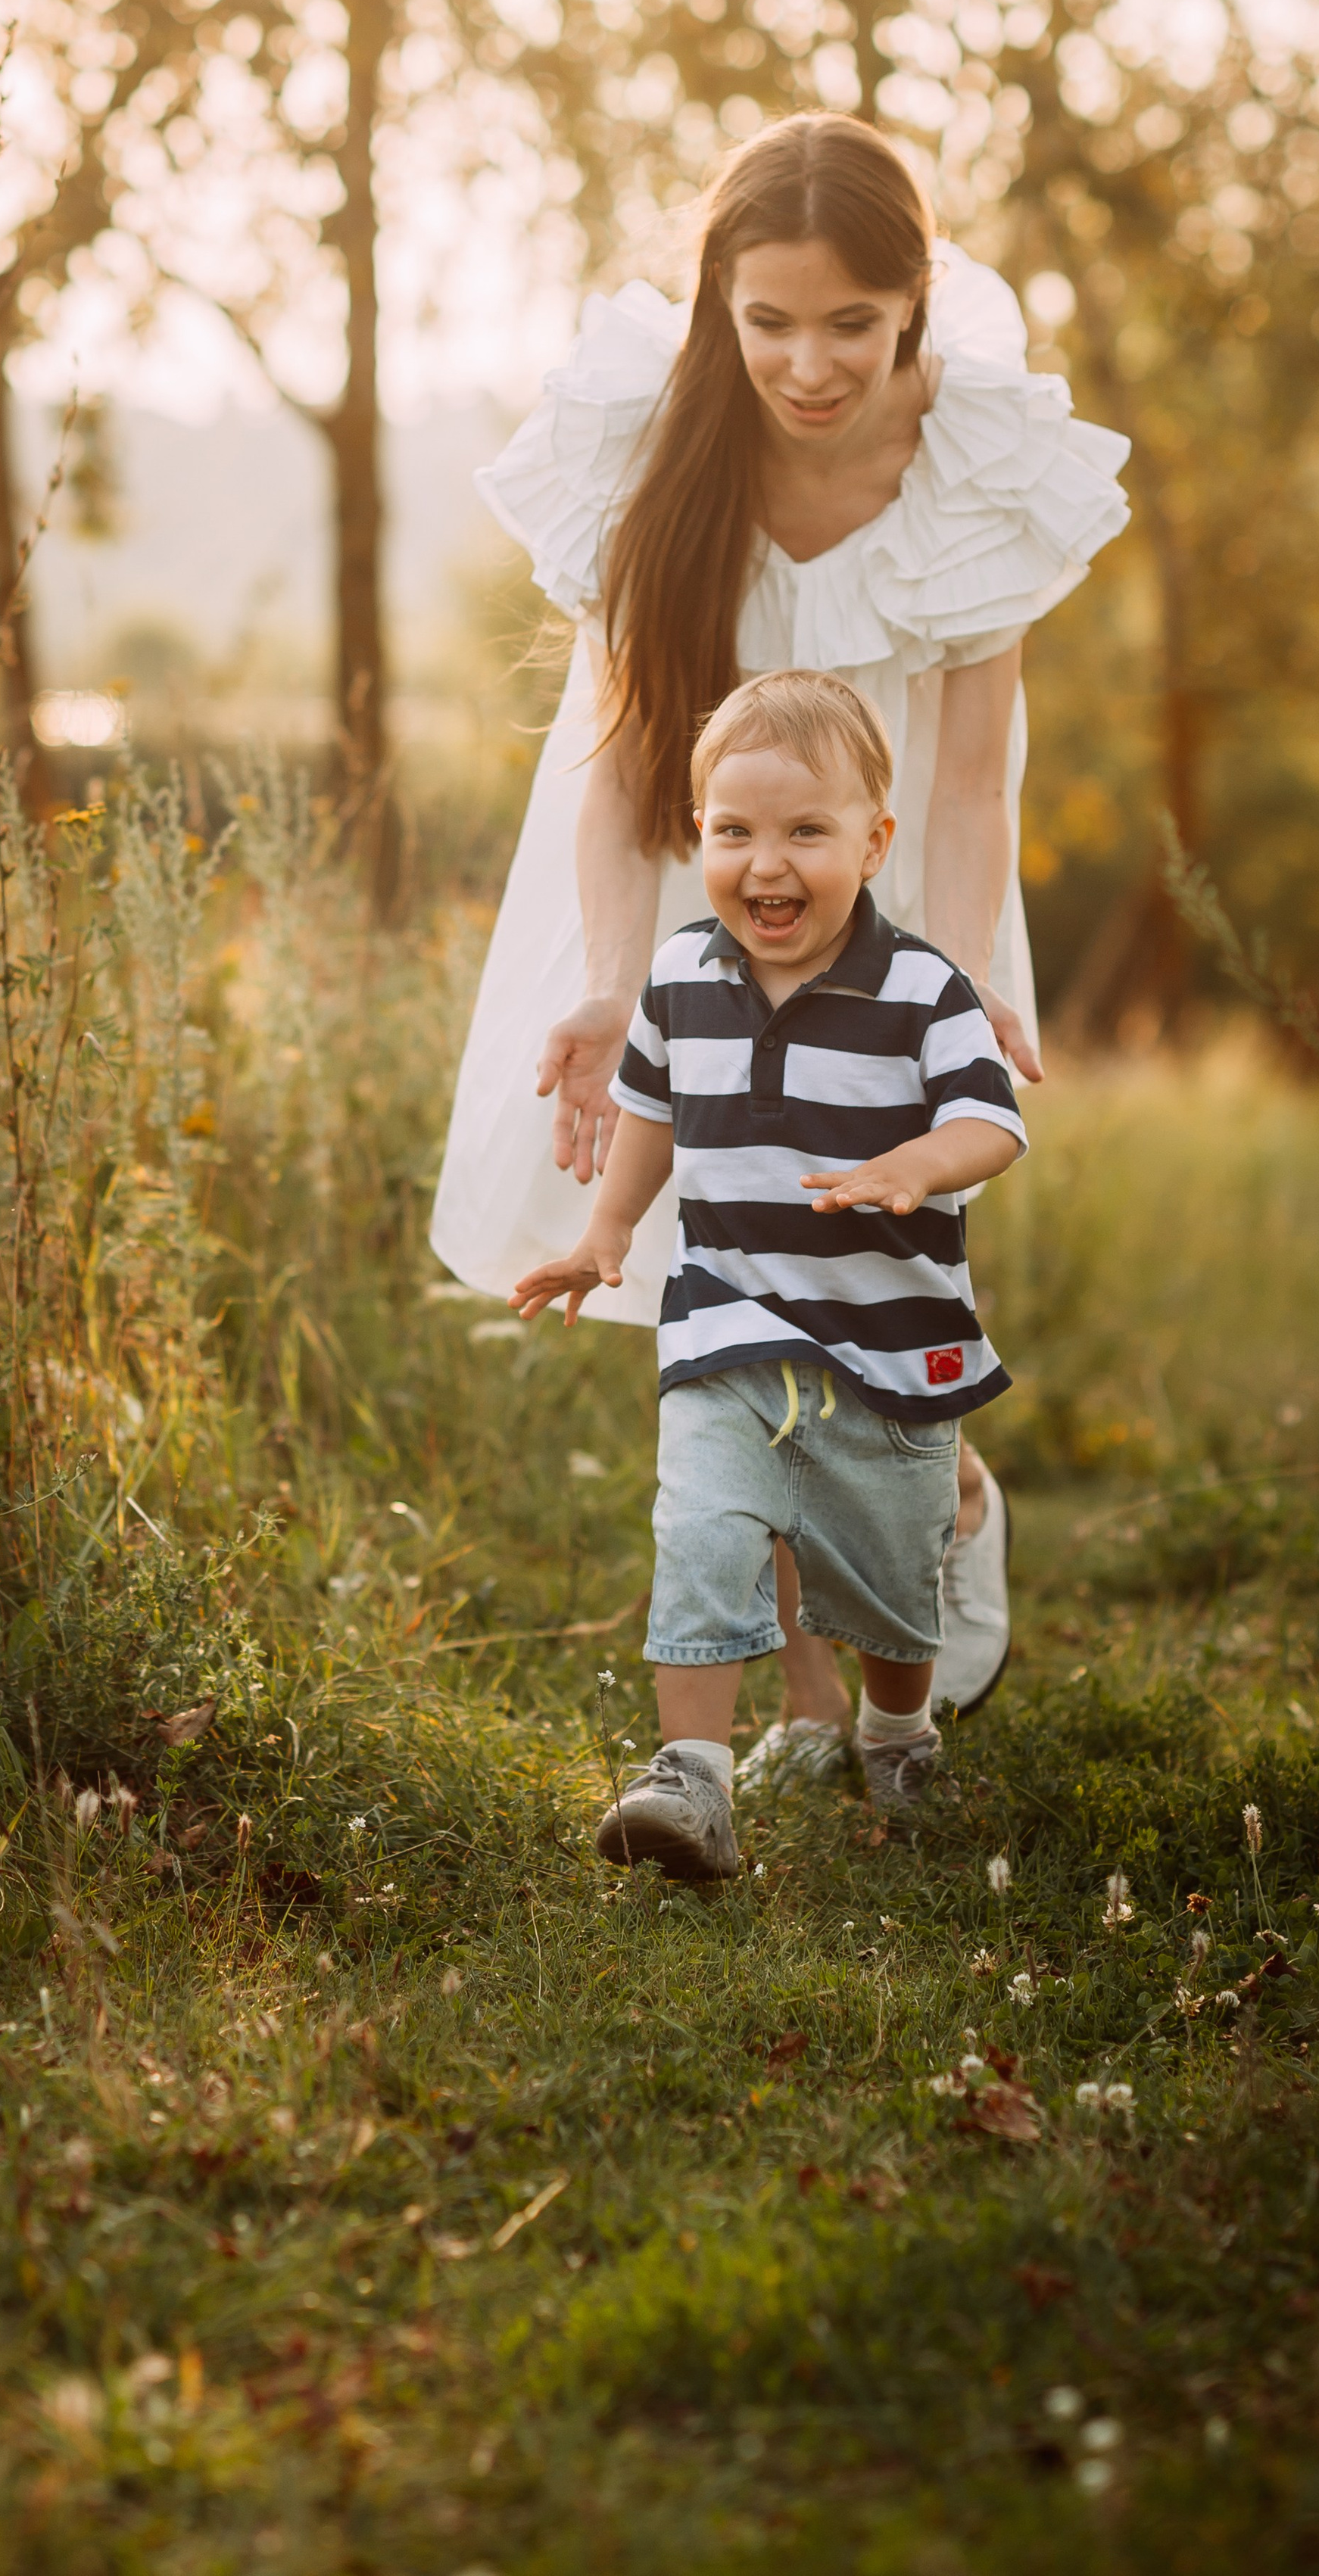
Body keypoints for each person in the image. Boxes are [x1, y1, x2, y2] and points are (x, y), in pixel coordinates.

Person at [432, 113, 1128, 1755]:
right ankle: (813, 1700)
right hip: (692, 873)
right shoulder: (653, 451)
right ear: (714, 307)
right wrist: (615, 984)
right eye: (765, 322)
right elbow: (616, 771)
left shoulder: (982, 471)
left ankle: (943, 1489)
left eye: (849, 327)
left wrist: (926, 1001)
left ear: (912, 312)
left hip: (892, 893)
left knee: (864, 1265)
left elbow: (964, 785)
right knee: (720, 1273)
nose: (805, 366)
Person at [510, 671, 1025, 1878]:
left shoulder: (924, 988)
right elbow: (649, 1109)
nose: (766, 864)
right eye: (734, 832)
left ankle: (897, 1728)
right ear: (700, 838)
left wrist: (920, 1161)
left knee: (895, 1578)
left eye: (806, 831)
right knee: (698, 1530)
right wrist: (606, 1232)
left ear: (873, 841)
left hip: (892, 1346)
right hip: (727, 1328)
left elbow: (994, 1123)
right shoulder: (685, 977)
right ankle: (691, 1780)